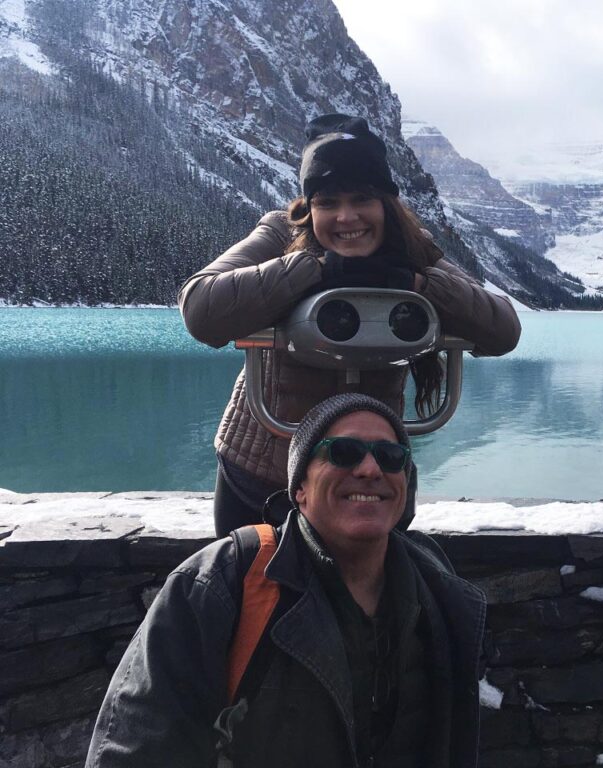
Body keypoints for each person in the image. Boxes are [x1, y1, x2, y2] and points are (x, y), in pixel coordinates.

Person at [86, 393, 487, 768]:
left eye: (390, 456)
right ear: (300, 488)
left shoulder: (435, 586)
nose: (370, 469)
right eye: (344, 453)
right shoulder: (219, 584)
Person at [179, 114, 521, 536]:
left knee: (366, 598)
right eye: (327, 203)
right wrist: (314, 269)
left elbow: (503, 329)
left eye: (361, 199)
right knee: (253, 594)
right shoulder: (280, 235)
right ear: (309, 207)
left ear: (385, 204)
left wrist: (418, 283)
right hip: (263, 475)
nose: (346, 217)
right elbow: (201, 309)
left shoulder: (414, 249)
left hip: (370, 475)